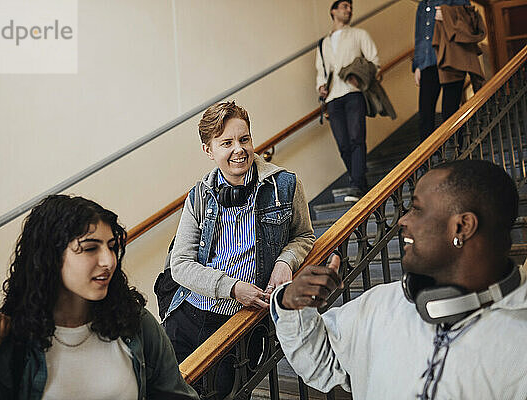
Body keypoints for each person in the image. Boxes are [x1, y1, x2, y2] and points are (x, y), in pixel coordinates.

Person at [271, 159, 527, 399]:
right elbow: (321, 366)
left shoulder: (518, 345)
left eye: (417, 209)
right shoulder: (379, 303)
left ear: (462, 227)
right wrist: (293, 303)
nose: (403, 220)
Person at [0, 195, 198, 400]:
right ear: (50, 257)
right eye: (90, 248)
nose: (108, 261)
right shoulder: (6, 341)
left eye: (112, 246)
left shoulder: (134, 322)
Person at [164, 101, 314, 397]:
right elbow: (180, 264)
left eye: (244, 139)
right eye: (227, 143)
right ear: (209, 150)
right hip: (187, 316)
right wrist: (231, 288)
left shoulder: (285, 185)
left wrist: (286, 261)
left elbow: (305, 236)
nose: (239, 150)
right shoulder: (198, 197)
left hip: (237, 325)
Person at [316, 0, 379, 202]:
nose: (349, 10)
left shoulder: (360, 35)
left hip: (354, 93)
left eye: (350, 7)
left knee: (356, 138)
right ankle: (359, 182)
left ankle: (356, 184)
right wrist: (320, 86)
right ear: (333, 11)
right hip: (333, 98)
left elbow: (374, 62)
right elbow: (320, 71)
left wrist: (360, 79)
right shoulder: (322, 43)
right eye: (344, 6)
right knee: (343, 144)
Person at [413, 0, 470, 143]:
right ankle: (428, 162)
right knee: (425, 115)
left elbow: (469, 20)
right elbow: (420, 37)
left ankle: (458, 155)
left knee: (450, 112)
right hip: (428, 64)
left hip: (451, 60)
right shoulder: (422, 5)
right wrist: (418, 65)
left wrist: (447, 15)